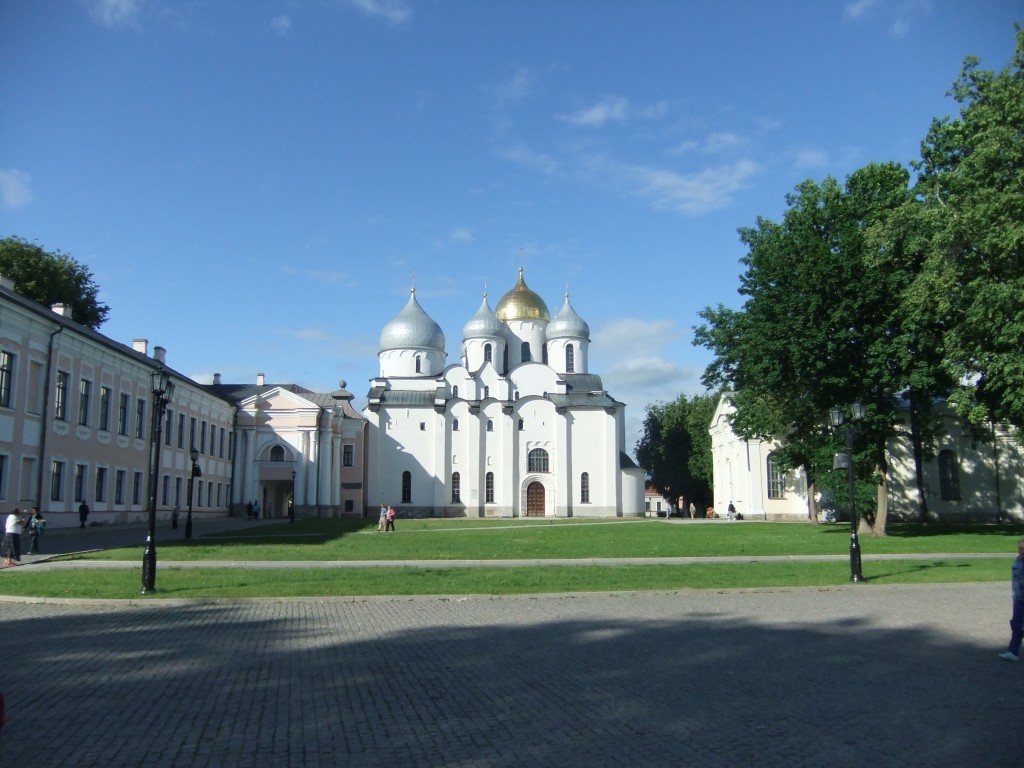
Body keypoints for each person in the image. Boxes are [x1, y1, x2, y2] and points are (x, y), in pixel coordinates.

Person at [999, 538, 1024, 661]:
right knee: (1016, 624)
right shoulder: (1018, 560)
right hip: (1019, 598)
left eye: (1023, 549)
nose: (1021, 551)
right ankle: (1013, 652)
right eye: (1020, 548)